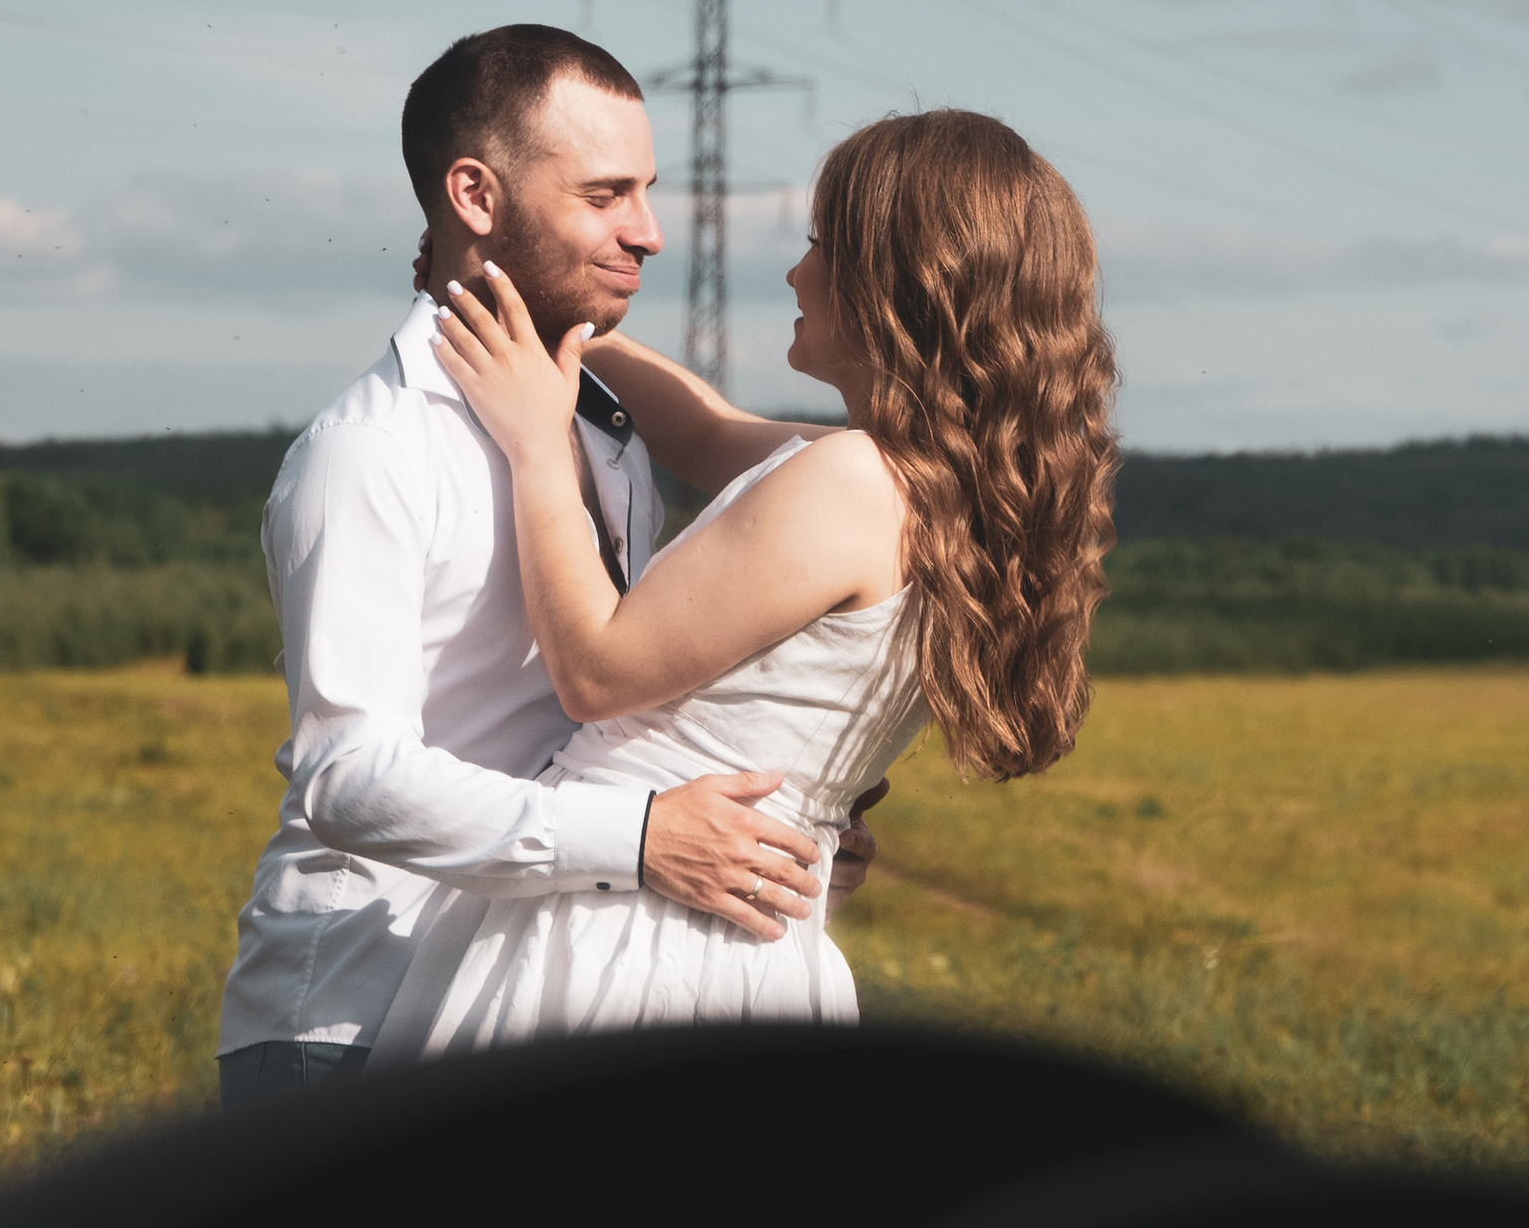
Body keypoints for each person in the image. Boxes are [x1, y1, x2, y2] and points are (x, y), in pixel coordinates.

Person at [366, 108, 1117, 1060]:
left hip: (635, 944)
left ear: (901, 283)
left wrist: (534, 442)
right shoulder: (935, 490)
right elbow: (710, 434)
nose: (797, 272)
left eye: (819, 243)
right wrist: (553, 313)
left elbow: (596, 672)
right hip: (737, 941)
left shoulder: (852, 485)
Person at [217, 25, 876, 1106]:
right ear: (475, 194)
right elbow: (347, 778)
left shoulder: (602, 431)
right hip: (357, 1013)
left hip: (535, 984)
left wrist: (771, 827)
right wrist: (649, 836)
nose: (651, 232)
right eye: (607, 195)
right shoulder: (372, 450)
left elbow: (609, 712)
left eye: (647, 192)